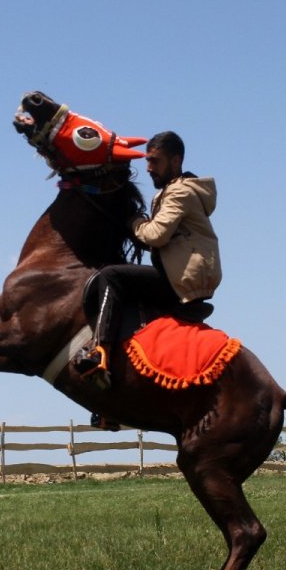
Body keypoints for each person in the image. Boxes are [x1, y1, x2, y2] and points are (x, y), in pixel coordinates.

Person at [75, 131, 222, 385]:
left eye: (155, 161)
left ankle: (99, 352)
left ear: (175, 161)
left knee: (111, 276)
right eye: (147, 161)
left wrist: (133, 220)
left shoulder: (180, 192)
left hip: (180, 283)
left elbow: (155, 235)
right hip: (180, 278)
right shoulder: (171, 192)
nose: (149, 168)